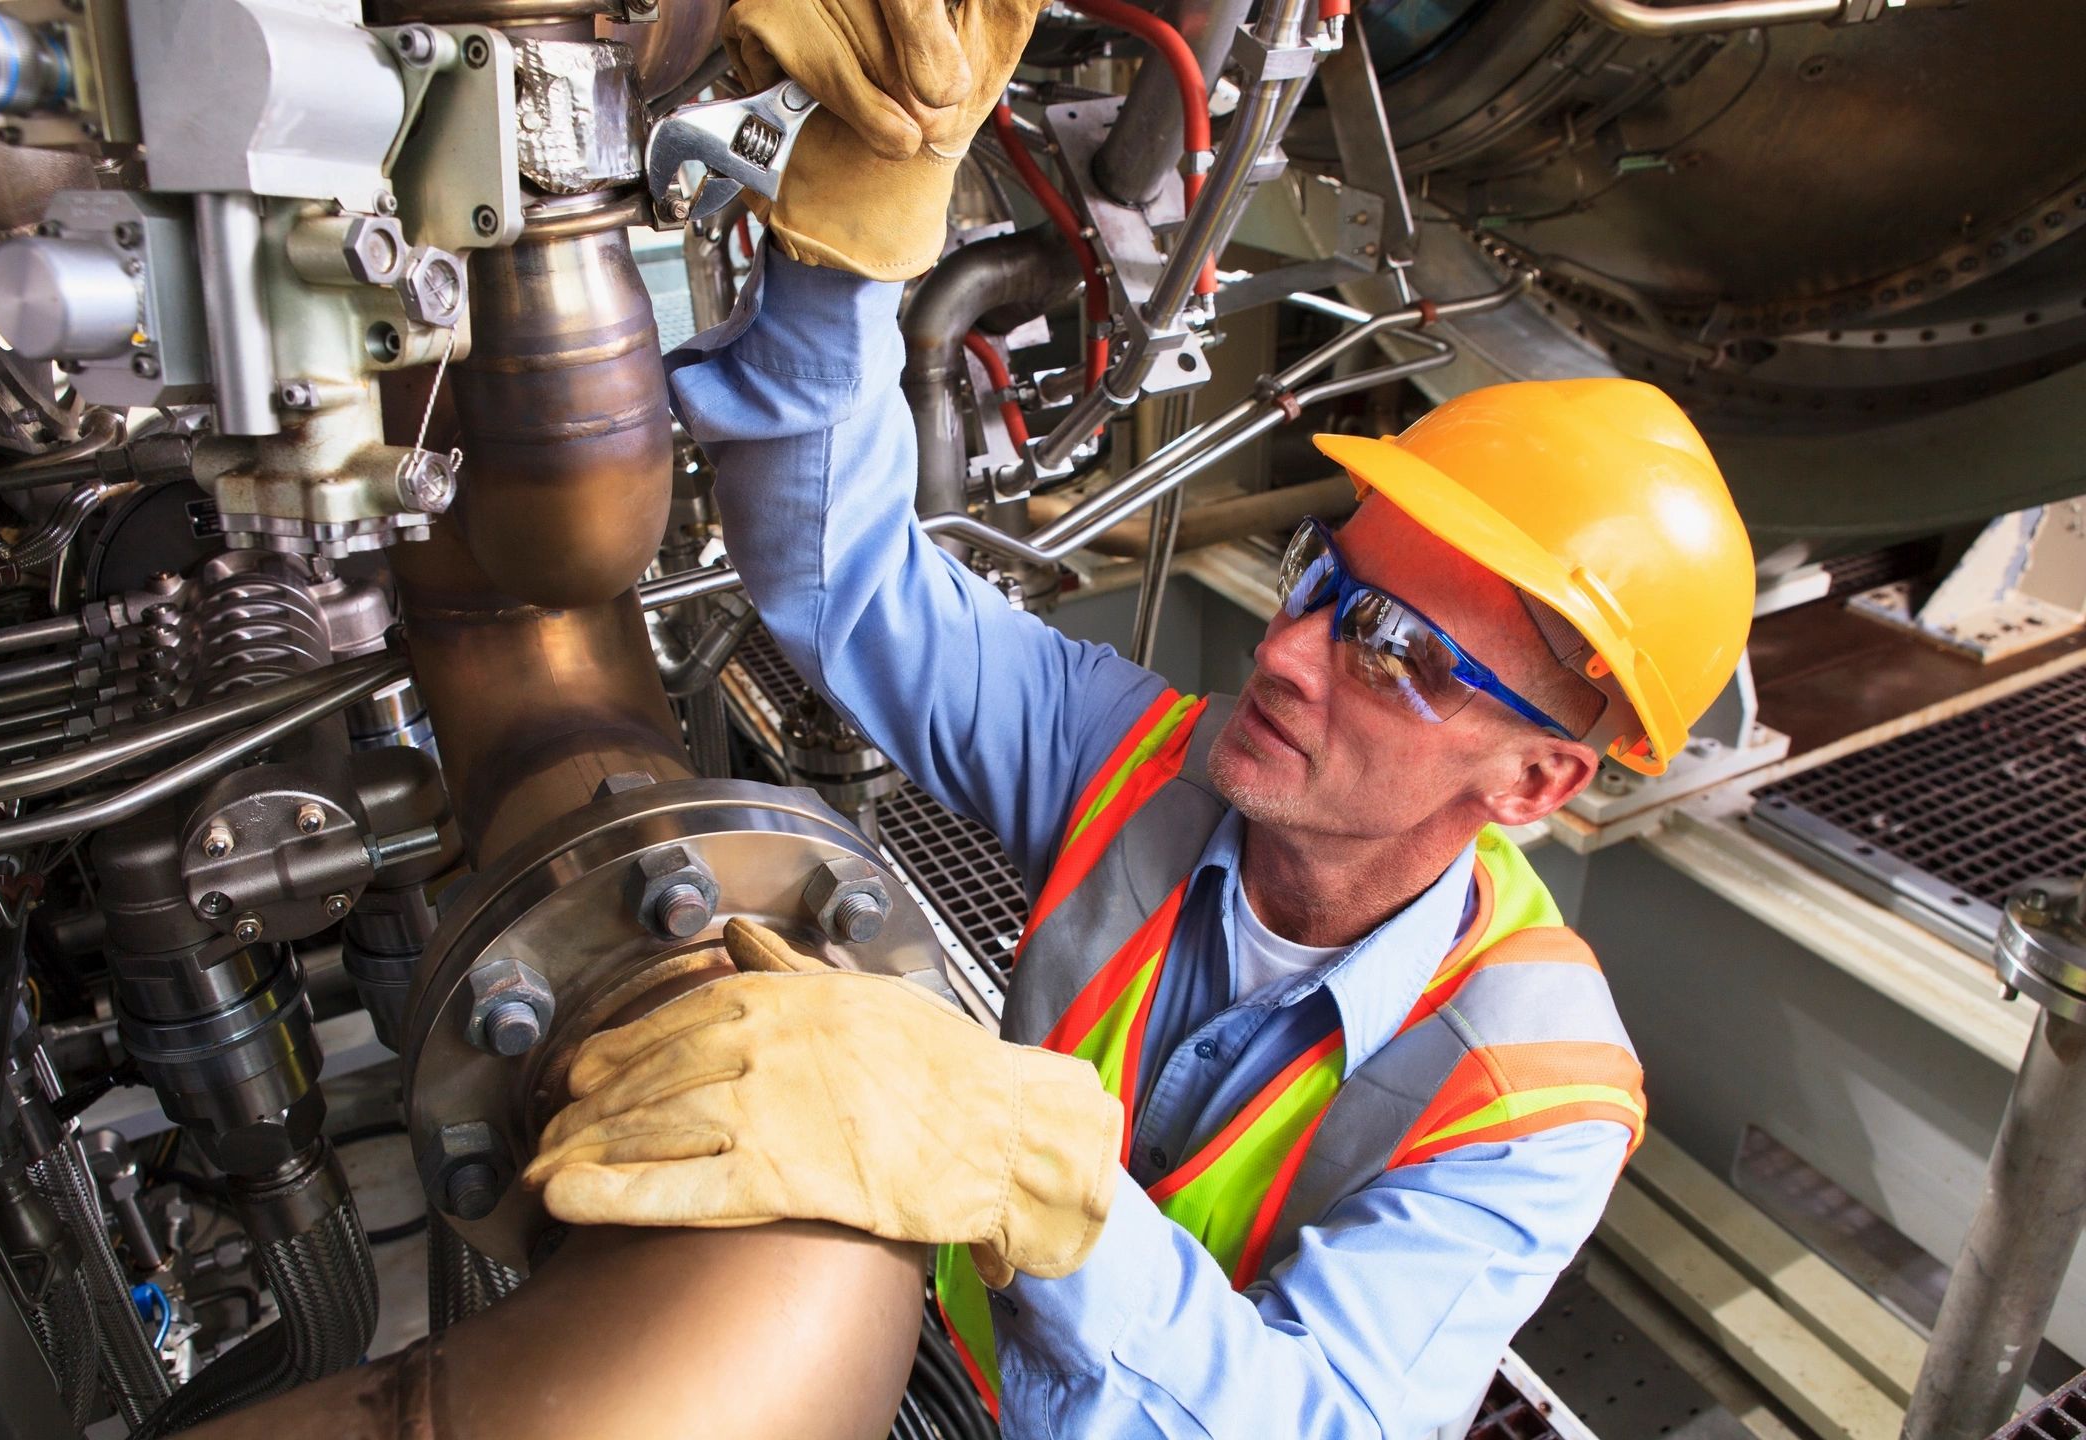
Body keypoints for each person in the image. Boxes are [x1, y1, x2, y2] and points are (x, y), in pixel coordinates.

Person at [523, 1, 1757, 1434]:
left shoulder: (1535, 1096)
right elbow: (845, 580)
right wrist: (854, 238)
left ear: (1536, 783)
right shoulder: (1149, 765)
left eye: (1394, 651)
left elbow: (1311, 1420)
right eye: (1324, 580)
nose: (1288, 655)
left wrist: (1023, 1174)